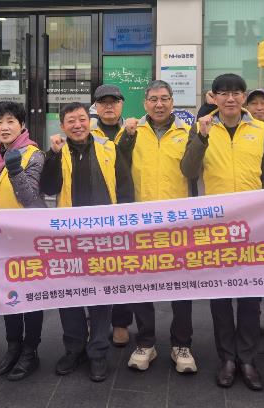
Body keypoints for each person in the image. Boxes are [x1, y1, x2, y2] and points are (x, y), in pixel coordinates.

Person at [180, 73, 264, 391]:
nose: (231, 98)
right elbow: (188, 171)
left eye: (237, 92)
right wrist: (202, 137)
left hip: (252, 225)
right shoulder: (203, 126)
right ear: (214, 97)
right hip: (215, 226)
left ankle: (247, 359)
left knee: (250, 296)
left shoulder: (260, 129)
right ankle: (227, 358)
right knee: (220, 295)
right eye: (223, 93)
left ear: (244, 96)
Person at [41, 102, 134, 382]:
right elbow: (48, 187)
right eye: (71, 121)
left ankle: (98, 351)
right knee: (68, 294)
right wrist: (52, 155)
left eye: (82, 119)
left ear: (89, 121)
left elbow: (125, 189)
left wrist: (124, 226)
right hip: (68, 238)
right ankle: (74, 348)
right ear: (62, 126)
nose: (78, 125)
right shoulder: (57, 151)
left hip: (103, 235)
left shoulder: (109, 148)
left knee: (100, 293)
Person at [116, 80, 197, 374]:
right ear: (145, 103)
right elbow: (118, 169)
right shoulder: (131, 132)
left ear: (173, 101)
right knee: (142, 285)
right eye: (153, 99)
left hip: (179, 222)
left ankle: (181, 345)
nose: (159, 104)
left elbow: (195, 171)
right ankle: (145, 342)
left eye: (164, 98)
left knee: (182, 286)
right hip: (142, 222)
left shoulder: (188, 132)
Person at [0, 101, 46, 381]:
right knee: (8, 293)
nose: (4, 127)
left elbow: (30, 199)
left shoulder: (34, 155)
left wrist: (15, 171)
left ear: (22, 125)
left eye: (10, 121)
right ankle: (13, 346)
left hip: (26, 240)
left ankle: (30, 351)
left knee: (31, 295)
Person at [88, 84, 134, 346]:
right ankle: (95, 321)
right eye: (103, 102)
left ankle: (120, 322)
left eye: (113, 102)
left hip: (126, 207)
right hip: (94, 211)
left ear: (121, 105)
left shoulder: (134, 130)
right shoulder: (85, 132)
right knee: (94, 268)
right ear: (95, 106)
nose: (109, 107)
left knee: (123, 268)